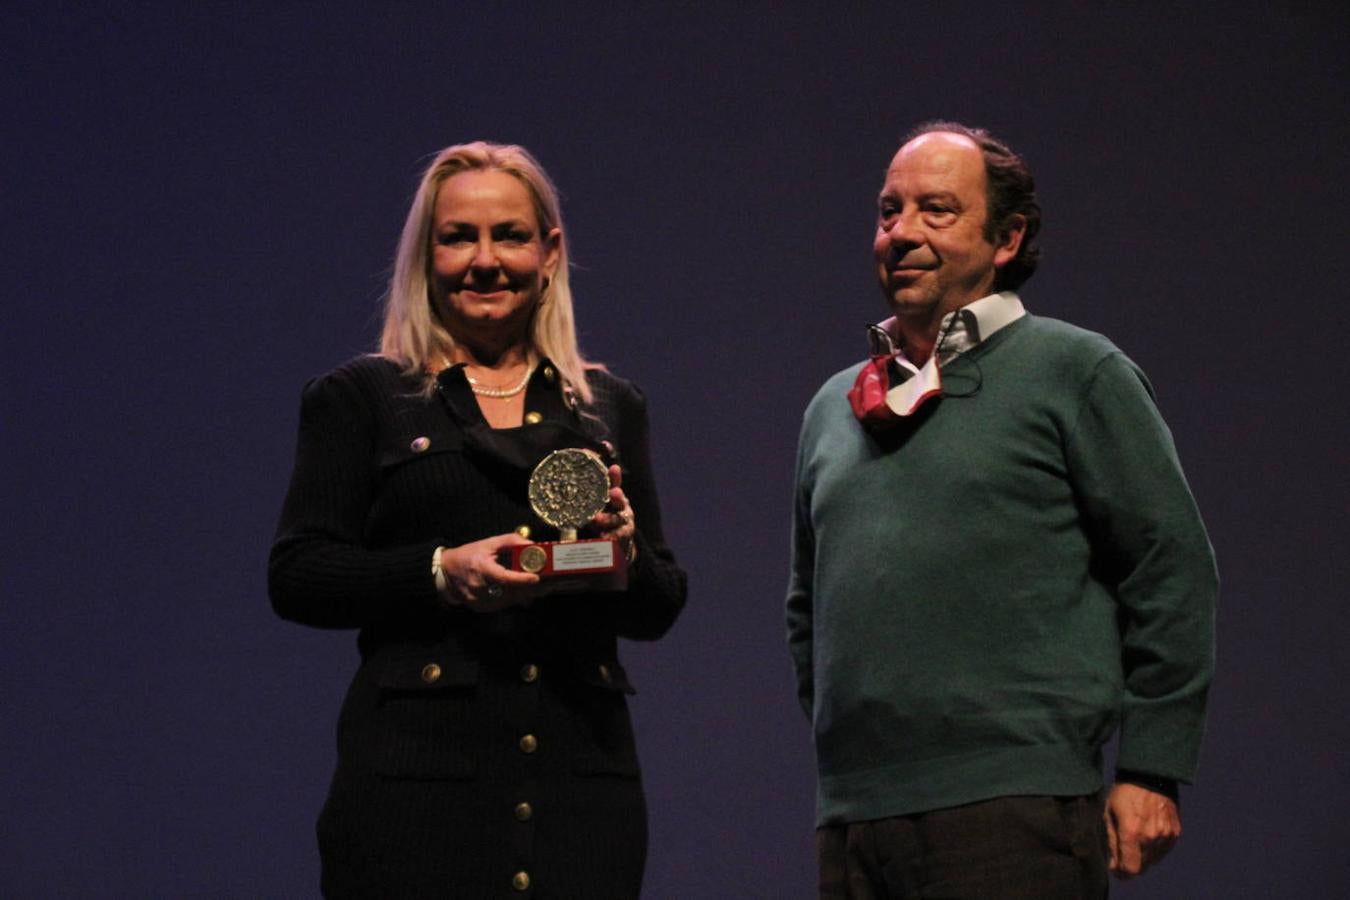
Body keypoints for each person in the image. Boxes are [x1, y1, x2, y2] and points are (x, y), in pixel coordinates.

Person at [786, 121, 1217, 898]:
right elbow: (805, 606)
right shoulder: (831, 407)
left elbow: (1172, 567)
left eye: (936, 211)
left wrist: (1152, 766)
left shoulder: (1074, 371)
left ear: (1007, 238)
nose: (902, 233)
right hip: (856, 821)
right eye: (889, 211)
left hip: (1014, 813)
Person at [269, 141, 687, 898]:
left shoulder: (607, 407)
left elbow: (660, 606)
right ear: (426, 257)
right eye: (459, 237)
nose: (485, 260)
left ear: (550, 252)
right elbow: (297, 574)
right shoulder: (364, 398)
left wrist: (623, 556)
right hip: (415, 795)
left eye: (511, 236)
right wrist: (441, 572)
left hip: (581, 790)